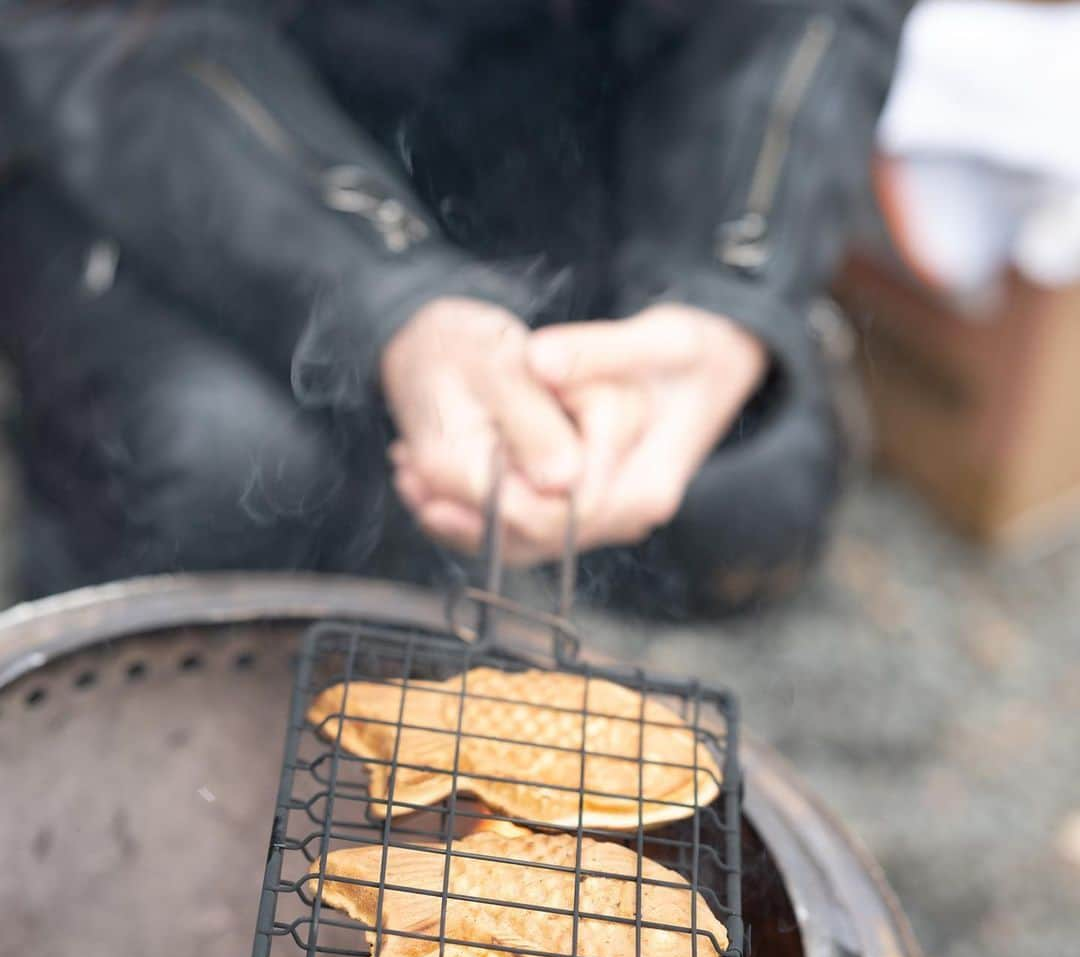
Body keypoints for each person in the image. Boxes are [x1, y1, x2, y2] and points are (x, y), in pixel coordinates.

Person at [0, 0, 907, 611]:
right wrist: (392, 294)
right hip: (190, 133)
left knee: (753, 480)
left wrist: (722, 287)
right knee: (231, 465)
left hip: (540, 120)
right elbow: (104, 33)